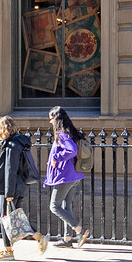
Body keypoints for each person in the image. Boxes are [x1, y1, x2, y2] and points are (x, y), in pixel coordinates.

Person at [0, 115, 44, 261]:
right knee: (16, 217)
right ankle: (38, 236)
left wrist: (9, 193)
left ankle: (8, 251)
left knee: (5, 218)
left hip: (11, 187)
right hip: (20, 185)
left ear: (3, 130)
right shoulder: (20, 142)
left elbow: (10, 170)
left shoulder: (11, 146)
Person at [43, 106, 92, 248]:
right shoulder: (70, 132)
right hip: (74, 175)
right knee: (66, 205)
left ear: (57, 119)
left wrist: (56, 158)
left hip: (65, 176)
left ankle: (79, 229)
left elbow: (72, 150)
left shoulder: (62, 133)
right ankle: (67, 239)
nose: (50, 121)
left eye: (51, 118)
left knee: (54, 206)